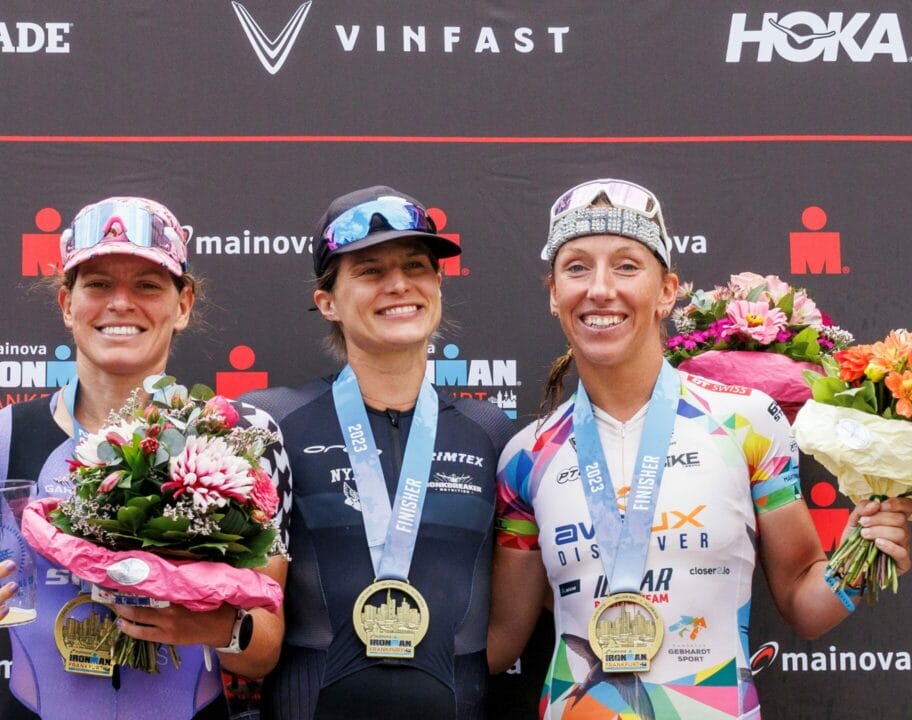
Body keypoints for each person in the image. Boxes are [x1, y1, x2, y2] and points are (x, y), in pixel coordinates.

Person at [487, 178, 912, 719]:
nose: (599, 289)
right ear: (553, 293)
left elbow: (806, 606)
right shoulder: (526, 456)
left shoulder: (747, 422)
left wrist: (870, 549)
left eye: (625, 265)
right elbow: (500, 645)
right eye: (576, 268)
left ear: (667, 290)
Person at [0, 197, 290, 720]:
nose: (121, 303)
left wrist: (218, 627)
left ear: (183, 305)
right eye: (98, 284)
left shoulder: (242, 439)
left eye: (148, 285)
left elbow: (264, 651)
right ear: (66, 303)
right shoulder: (4, 436)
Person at [242, 185, 514, 720]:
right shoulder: (268, 423)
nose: (398, 285)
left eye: (416, 265)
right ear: (328, 302)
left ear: (437, 284)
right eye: (369, 271)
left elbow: (506, 634)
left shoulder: (491, 432)